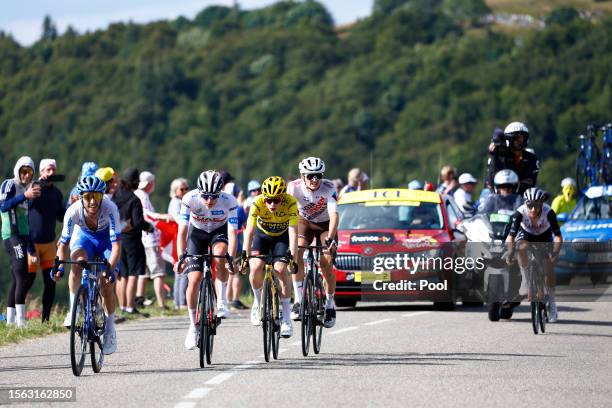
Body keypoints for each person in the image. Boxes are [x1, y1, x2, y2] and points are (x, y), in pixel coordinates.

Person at [54, 175, 121, 354]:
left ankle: (109, 329)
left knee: (106, 283)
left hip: (106, 240)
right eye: (87, 196)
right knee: (77, 264)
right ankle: (73, 311)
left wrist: (110, 268)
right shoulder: (73, 211)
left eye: (97, 196)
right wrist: (59, 265)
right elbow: (63, 245)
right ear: (80, 197)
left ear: (102, 196)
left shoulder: (110, 209)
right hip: (85, 239)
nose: (92, 201)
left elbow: (116, 246)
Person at [174, 170, 238, 350]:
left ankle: (222, 301)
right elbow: (182, 231)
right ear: (199, 191)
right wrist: (181, 256)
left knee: (220, 254)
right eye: (205, 196)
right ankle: (192, 325)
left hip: (219, 232)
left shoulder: (229, 201)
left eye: (213, 197)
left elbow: (233, 233)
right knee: (193, 280)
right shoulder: (189, 198)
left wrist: (230, 258)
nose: (209, 201)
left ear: (220, 192)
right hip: (197, 234)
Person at [240, 176, 298, 338]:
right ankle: (258, 304)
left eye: (276, 200)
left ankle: (286, 317)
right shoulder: (257, 202)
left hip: (282, 237)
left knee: (281, 269)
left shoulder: (291, 202)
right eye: (269, 200)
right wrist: (245, 255)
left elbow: (293, 232)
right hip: (262, 236)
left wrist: (293, 257)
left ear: (283, 197)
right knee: (256, 267)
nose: (272, 204)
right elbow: (249, 232)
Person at [287, 157, 339, 328]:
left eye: (318, 175)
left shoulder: (329, 187)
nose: (315, 179)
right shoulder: (293, 188)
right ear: (302, 176)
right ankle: (299, 300)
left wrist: (330, 238)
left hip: (325, 226)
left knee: (326, 262)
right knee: (298, 251)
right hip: (304, 222)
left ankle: (330, 304)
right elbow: (288, 214)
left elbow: (334, 216)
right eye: (310, 176)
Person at [505, 187, 563, 323]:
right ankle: (526, 280)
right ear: (526, 204)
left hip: (544, 237)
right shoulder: (520, 213)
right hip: (526, 235)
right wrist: (509, 252)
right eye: (529, 205)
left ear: (542, 204)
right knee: (521, 248)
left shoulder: (549, 213)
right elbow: (510, 237)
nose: (533, 209)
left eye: (536, 205)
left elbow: (558, 237)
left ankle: (552, 304)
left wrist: (555, 252)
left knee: (548, 270)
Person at [1, 156, 39, 327]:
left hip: (22, 236)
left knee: (18, 278)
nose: (26, 176)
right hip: (11, 234)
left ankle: (10, 322)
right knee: (22, 273)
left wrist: (31, 248)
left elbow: (26, 222)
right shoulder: (10, 184)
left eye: (29, 172)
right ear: (18, 170)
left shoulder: (27, 190)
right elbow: (3, 206)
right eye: (23, 171)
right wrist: (24, 195)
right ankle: (21, 321)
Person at [27, 159, 66, 322]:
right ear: (42, 172)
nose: (51, 173)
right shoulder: (35, 189)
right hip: (32, 244)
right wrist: (35, 188)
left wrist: (71, 207)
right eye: (48, 170)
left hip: (49, 244)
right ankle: (15, 318)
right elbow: (25, 207)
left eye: (53, 170)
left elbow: (60, 216)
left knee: (51, 283)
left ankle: (46, 319)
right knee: (26, 281)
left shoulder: (57, 193)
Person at [112, 168, 153, 317]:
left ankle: (122, 306)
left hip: (117, 239)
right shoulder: (134, 199)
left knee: (121, 275)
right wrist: (149, 227)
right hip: (132, 240)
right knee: (133, 274)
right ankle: (130, 307)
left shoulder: (115, 196)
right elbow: (138, 222)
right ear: (135, 182)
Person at [134, 171, 169, 309]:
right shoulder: (143, 197)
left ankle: (139, 299)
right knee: (158, 272)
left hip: (141, 239)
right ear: (149, 184)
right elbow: (147, 215)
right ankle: (161, 303)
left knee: (144, 272)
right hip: (150, 239)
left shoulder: (138, 194)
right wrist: (162, 217)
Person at [487, 122, 539, 195]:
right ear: (509, 139)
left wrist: (513, 184)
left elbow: (530, 182)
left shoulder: (531, 158)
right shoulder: (499, 156)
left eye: (521, 137)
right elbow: (492, 181)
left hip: (522, 199)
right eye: (516, 138)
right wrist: (493, 156)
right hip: (499, 197)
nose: (520, 141)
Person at [168, 177, 189, 309]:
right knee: (183, 270)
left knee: (179, 271)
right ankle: (181, 302)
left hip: (179, 237)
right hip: (179, 238)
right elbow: (179, 220)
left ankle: (178, 301)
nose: (185, 191)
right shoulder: (176, 203)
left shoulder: (179, 201)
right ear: (175, 191)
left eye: (187, 188)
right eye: (182, 189)